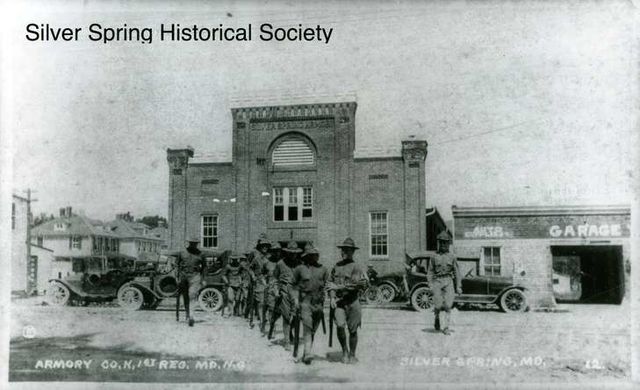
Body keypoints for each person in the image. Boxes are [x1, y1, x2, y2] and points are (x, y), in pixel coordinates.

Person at [327, 237, 369, 364]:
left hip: (353, 302)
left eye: (347, 250)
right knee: (340, 326)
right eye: (343, 250)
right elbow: (330, 283)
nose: (344, 252)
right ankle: (344, 351)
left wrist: (337, 287)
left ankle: (352, 354)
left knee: (353, 330)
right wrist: (332, 297)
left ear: (352, 252)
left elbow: (353, 285)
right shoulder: (336, 266)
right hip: (340, 303)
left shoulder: (356, 267)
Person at [292, 244, 328, 364]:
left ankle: (306, 352)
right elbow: (294, 286)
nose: (314, 257)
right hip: (305, 302)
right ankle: (307, 353)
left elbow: (327, 285)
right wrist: (296, 300)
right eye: (311, 255)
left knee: (313, 329)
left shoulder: (323, 269)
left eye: (315, 254)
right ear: (306, 256)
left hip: (318, 303)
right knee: (307, 326)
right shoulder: (299, 269)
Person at [427, 231, 462, 335]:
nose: (443, 245)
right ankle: (436, 317)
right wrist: (430, 284)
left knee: (448, 305)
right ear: (438, 243)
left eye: (445, 243)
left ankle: (446, 327)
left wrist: (458, 286)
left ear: (448, 244)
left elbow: (457, 272)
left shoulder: (452, 257)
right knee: (437, 305)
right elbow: (430, 271)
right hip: (437, 281)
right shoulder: (434, 257)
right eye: (441, 242)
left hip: (448, 281)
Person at [272, 240, 302, 351]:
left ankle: (290, 332)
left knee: (296, 317)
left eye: (295, 253)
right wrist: (275, 290)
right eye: (290, 253)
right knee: (286, 316)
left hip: (296, 292)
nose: (293, 255)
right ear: (287, 252)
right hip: (284, 291)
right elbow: (274, 278)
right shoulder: (280, 263)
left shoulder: (300, 264)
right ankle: (287, 341)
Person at [173, 237, 207, 327]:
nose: (193, 245)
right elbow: (176, 264)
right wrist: (176, 276)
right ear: (189, 243)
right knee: (185, 296)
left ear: (197, 244)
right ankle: (188, 314)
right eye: (192, 243)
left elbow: (205, 267)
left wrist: (203, 279)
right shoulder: (182, 253)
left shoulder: (201, 254)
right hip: (183, 276)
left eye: (195, 243)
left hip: (195, 276)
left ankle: (191, 316)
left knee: (192, 294)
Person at [246, 234, 271, 328]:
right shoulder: (255, 256)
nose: (265, 247)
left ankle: (266, 318)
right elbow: (249, 267)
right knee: (261, 302)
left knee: (269, 301)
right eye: (263, 245)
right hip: (259, 280)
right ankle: (261, 320)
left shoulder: (270, 257)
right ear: (260, 246)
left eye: (266, 245)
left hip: (269, 280)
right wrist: (252, 276)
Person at [262, 242, 281, 336]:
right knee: (271, 309)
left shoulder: (282, 262)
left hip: (282, 289)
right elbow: (261, 274)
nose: (277, 253)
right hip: (271, 290)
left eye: (278, 251)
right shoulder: (266, 263)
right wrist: (265, 283)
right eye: (274, 251)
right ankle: (272, 328)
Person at [222, 253, 245, 317]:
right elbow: (223, 275)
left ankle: (237, 312)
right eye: (233, 259)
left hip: (238, 285)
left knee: (238, 300)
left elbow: (243, 274)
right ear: (231, 259)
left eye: (236, 259)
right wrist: (226, 281)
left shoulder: (240, 266)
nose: (235, 260)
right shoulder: (228, 266)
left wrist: (242, 281)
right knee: (230, 299)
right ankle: (230, 312)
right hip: (230, 284)